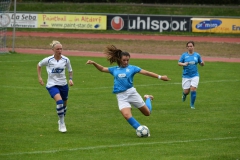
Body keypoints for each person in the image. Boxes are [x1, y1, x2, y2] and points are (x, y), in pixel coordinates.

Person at [86, 45, 170, 136]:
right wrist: (94, 63)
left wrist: (161, 77)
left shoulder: (133, 68)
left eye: (127, 60)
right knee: (126, 115)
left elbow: (146, 72)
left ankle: (148, 98)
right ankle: (140, 129)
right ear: (119, 59)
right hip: (121, 96)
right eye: (124, 60)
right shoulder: (114, 69)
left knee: (147, 113)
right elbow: (102, 69)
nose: (126, 62)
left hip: (132, 93)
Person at [37, 40, 74, 133]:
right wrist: (40, 77)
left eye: (61, 49)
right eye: (57, 49)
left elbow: (70, 70)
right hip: (52, 85)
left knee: (65, 103)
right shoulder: (48, 60)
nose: (60, 50)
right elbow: (39, 65)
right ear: (53, 50)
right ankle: (62, 123)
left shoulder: (66, 60)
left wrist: (70, 79)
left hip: (63, 84)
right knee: (60, 102)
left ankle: (61, 119)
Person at [178, 41, 204, 109]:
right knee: (186, 91)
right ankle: (184, 95)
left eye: (191, 46)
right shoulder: (184, 55)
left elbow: (200, 62)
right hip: (186, 76)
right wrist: (184, 64)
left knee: (193, 89)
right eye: (188, 46)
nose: (190, 47)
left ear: (193, 47)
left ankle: (192, 105)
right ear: (187, 47)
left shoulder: (197, 55)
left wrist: (202, 63)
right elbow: (179, 63)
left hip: (195, 75)